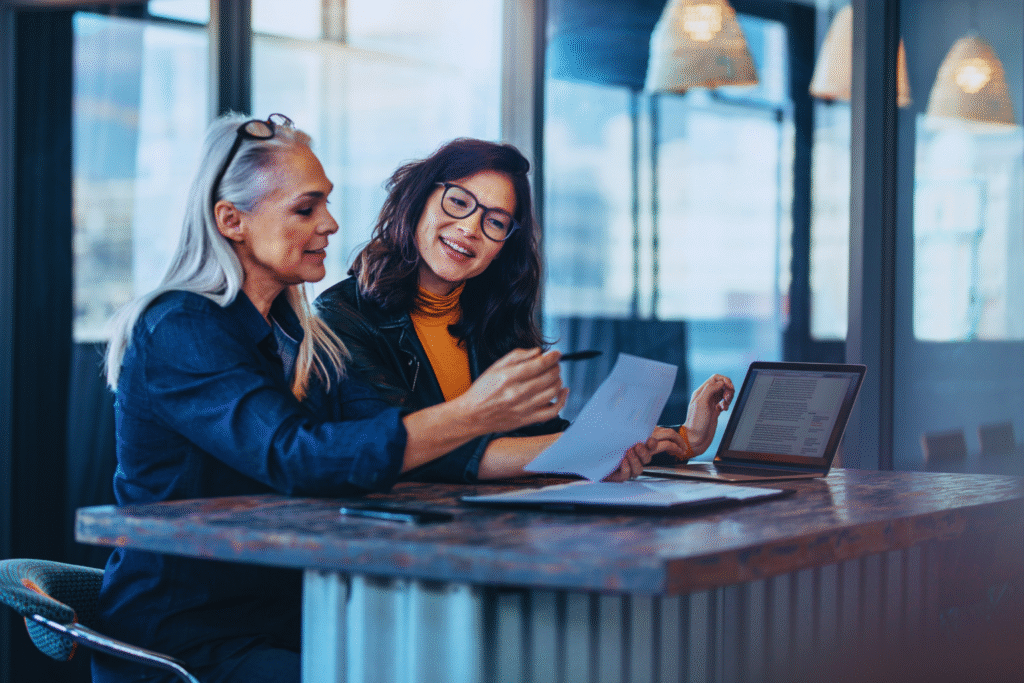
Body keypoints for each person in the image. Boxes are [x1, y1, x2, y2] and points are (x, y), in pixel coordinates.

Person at [95, 115, 601, 683]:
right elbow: (297, 456)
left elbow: (394, 440)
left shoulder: (304, 335)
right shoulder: (180, 327)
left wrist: (606, 448)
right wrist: (474, 412)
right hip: (191, 636)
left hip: (289, 612)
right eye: (305, 209)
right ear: (231, 220)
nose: (331, 224)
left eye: (327, 205)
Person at [315, 138, 734, 482]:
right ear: (419, 200)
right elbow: (410, 449)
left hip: (494, 532)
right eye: (458, 202)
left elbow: (540, 440)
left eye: (495, 222)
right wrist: (593, 448)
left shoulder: (492, 319)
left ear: (502, 247)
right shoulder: (341, 317)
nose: (470, 228)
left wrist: (683, 439)